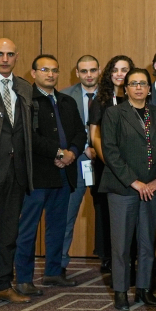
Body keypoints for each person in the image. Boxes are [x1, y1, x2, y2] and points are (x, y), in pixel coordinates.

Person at [15, 54, 87, 296]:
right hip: (37, 176)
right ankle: (24, 279)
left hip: (64, 175)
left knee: (57, 227)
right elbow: (29, 137)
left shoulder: (67, 101)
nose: (51, 74)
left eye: (55, 70)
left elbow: (80, 133)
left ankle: (53, 273)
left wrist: (72, 153)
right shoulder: (26, 101)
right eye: (45, 69)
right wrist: (58, 152)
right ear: (33, 73)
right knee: (28, 228)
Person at [100, 67, 156, 311]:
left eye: (143, 83)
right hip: (122, 188)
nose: (138, 87)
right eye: (133, 83)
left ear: (150, 88)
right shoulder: (114, 113)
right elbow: (110, 151)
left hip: (152, 188)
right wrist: (134, 182)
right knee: (121, 244)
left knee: (147, 241)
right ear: (125, 88)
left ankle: (144, 289)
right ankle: (120, 290)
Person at [0, 39, 34, 303]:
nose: (5, 59)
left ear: (16, 57)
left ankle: (1, 284)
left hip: (16, 171)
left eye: (9, 54)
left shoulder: (24, 88)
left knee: (9, 231)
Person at [89, 55, 135, 276]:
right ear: (108, 74)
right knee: (107, 214)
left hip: (133, 167)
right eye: (115, 69)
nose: (119, 74)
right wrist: (111, 163)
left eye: (124, 70)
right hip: (107, 166)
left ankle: (131, 261)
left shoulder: (137, 97)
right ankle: (109, 259)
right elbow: (95, 136)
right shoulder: (101, 100)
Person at [60, 55, 100, 277]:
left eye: (93, 70)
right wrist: (84, 146)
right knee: (67, 215)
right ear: (77, 73)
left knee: (107, 216)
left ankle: (109, 262)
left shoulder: (110, 94)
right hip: (75, 163)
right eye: (84, 71)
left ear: (99, 70)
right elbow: (62, 130)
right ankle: (61, 263)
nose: (89, 75)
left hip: (104, 164)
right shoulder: (65, 96)